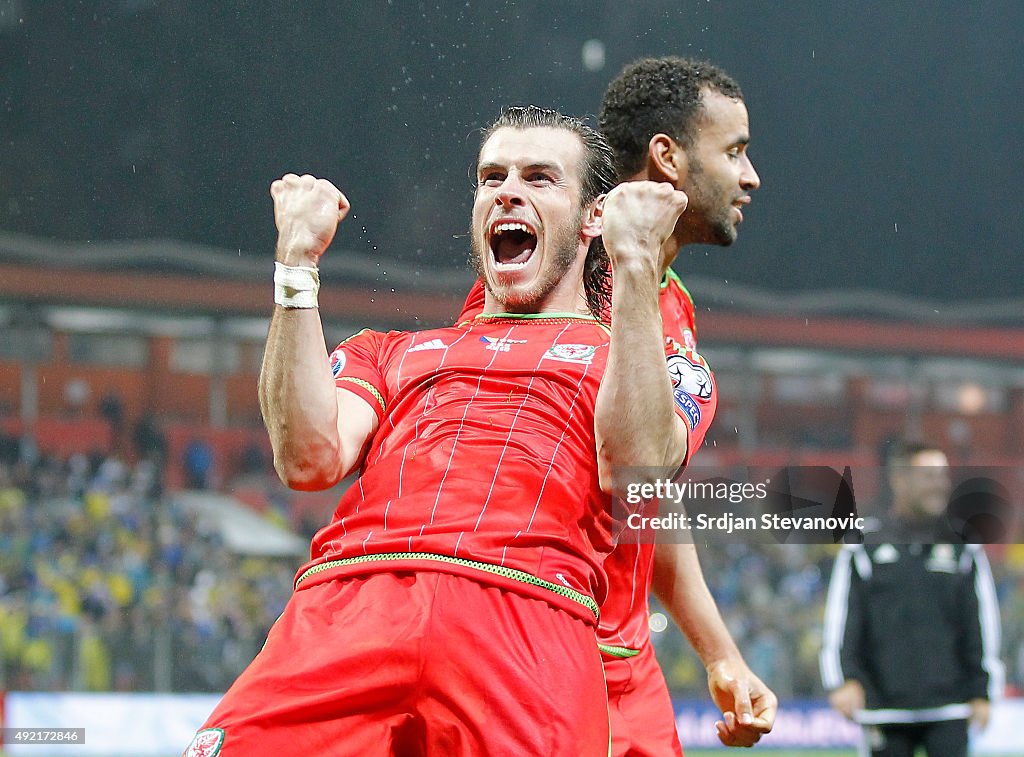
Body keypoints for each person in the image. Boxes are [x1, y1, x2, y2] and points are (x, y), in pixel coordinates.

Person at [183, 106, 701, 756]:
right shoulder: (393, 351)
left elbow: (638, 461)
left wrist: (634, 265)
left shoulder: (628, 357)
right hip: (352, 601)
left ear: (594, 215)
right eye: (492, 177)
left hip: (527, 615)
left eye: (540, 178)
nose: (507, 190)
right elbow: (308, 456)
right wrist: (295, 264)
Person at [457, 56, 776, 753]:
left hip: (628, 671)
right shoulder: (544, 280)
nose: (749, 176)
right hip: (530, 667)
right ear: (668, 157)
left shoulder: (673, 305)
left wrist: (720, 653)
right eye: (735, 151)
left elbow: (645, 495)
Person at [820, 439, 1005, 757]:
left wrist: (983, 691)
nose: (939, 485)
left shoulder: (963, 544)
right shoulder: (864, 542)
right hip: (883, 707)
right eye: (928, 476)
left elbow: (980, 620)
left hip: (951, 707)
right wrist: (843, 680)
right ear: (899, 480)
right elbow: (844, 617)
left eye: (942, 476)